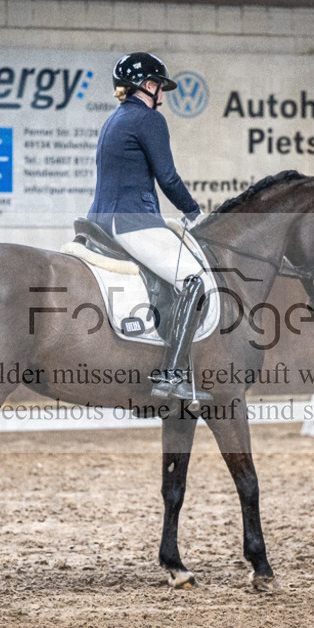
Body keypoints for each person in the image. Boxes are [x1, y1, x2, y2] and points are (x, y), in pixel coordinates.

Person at [87, 52, 211, 403]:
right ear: (149, 85)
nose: (163, 96)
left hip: (102, 219)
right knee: (194, 278)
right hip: (132, 220)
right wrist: (192, 210)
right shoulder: (148, 120)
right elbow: (167, 177)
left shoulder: (115, 119)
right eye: (160, 87)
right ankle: (172, 374)